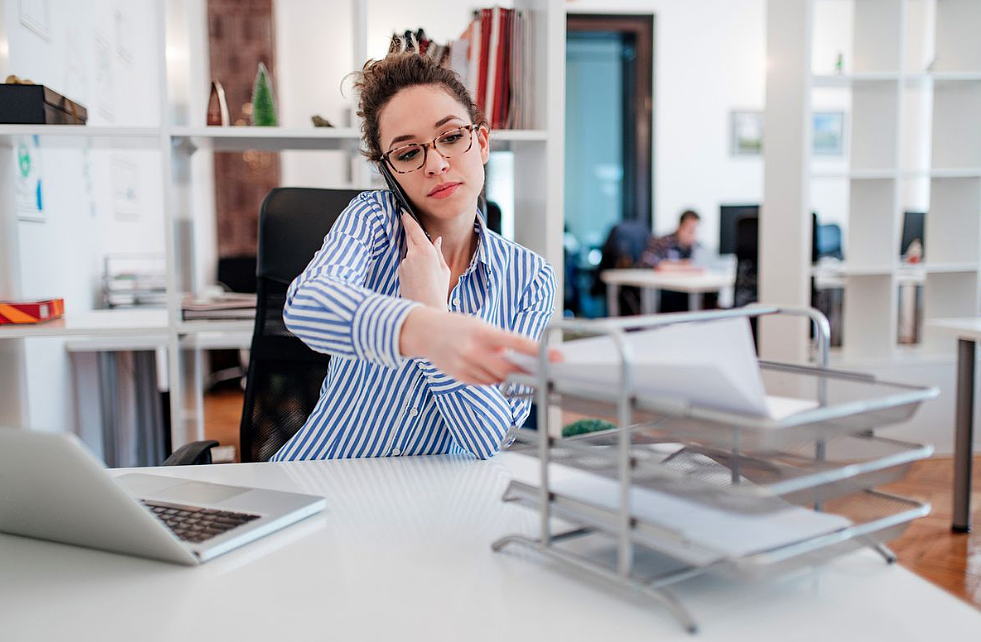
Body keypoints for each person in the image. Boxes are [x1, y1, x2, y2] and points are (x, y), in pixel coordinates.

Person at [270, 53, 556, 462]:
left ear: (482, 142)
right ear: (389, 172)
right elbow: (307, 305)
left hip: (430, 501)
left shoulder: (531, 278)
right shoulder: (373, 220)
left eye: (452, 137)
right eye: (407, 154)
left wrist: (434, 311)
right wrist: (423, 329)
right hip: (322, 477)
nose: (437, 165)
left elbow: (492, 438)